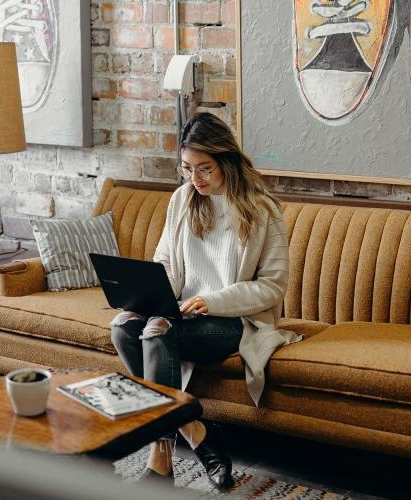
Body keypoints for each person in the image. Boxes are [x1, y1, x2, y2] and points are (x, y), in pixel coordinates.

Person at [110, 112, 300, 489]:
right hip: (180, 310)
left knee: (157, 332)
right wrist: (147, 296)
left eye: (205, 169)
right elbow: (165, 260)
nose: (194, 180)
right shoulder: (182, 200)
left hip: (232, 320)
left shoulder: (263, 210)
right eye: (186, 169)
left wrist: (212, 301)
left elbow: (272, 287)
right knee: (123, 327)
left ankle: (160, 461)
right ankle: (197, 432)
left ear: (226, 161)